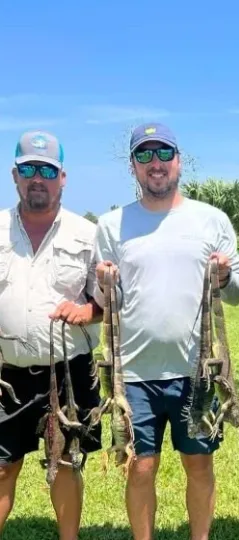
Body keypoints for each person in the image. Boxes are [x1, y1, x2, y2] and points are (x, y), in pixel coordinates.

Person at [92, 122, 239, 540]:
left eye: (163, 154)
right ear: (133, 167)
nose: (154, 164)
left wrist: (226, 275)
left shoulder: (210, 220)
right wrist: (103, 282)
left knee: (199, 463)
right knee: (140, 467)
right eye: (144, 155)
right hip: (133, 375)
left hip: (197, 370)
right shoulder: (111, 225)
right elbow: (103, 299)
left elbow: (236, 293)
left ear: (179, 161)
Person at [0, 131, 103, 539]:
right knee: (3, 465)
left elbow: (107, 301)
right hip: (8, 373)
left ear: (63, 177)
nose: (37, 178)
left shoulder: (88, 233)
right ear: (15, 175)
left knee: (66, 462)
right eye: (28, 169)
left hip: (69, 372)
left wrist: (87, 311)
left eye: (47, 169)